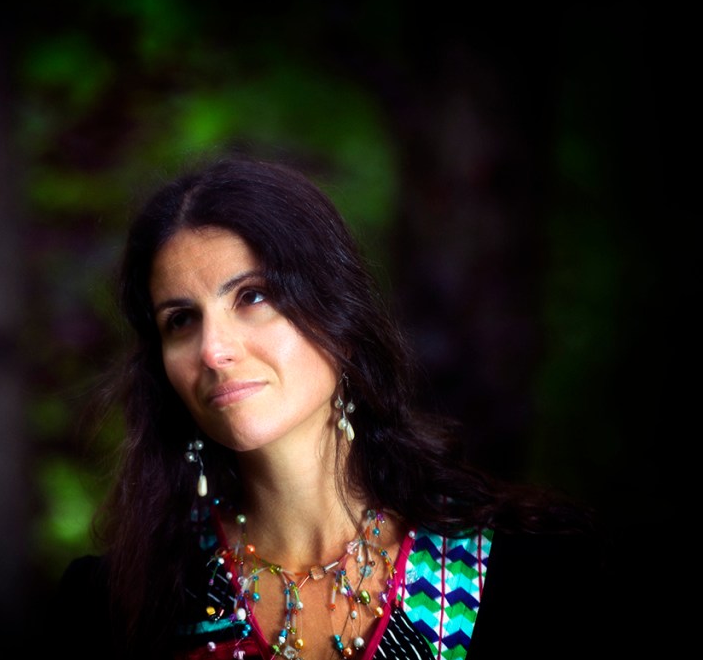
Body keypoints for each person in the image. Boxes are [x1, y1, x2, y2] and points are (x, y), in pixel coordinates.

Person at [56, 155, 607, 659]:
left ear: (338, 317)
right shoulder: (116, 609)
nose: (213, 351)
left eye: (252, 296)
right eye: (180, 320)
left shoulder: (536, 571)